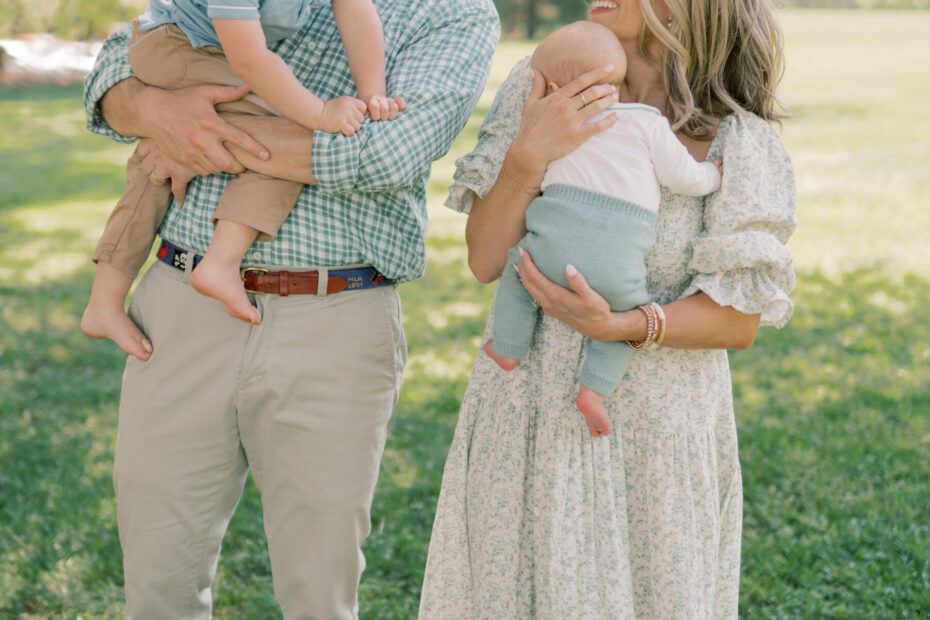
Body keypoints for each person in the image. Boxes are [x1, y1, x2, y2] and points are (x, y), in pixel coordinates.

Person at [81, 0, 499, 614]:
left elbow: (383, 155)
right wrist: (157, 111)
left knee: (319, 588)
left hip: (335, 318)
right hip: (179, 306)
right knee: (157, 576)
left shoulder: (455, 12)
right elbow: (112, 72)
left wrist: (202, 132)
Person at [419, 0, 796, 617]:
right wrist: (526, 158)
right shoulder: (548, 81)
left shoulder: (738, 140)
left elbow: (737, 320)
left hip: (654, 433)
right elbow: (486, 259)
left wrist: (620, 326)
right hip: (526, 410)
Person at [82, 0, 403, 359]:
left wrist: (373, 93)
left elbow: (356, 12)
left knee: (156, 163)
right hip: (176, 44)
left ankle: (104, 302)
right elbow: (249, 58)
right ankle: (219, 264)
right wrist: (321, 113)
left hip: (201, 46)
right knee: (294, 129)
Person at [483, 21, 722, 437]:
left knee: (517, 271)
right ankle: (594, 391)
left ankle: (507, 348)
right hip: (617, 256)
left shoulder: (552, 130)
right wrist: (712, 176)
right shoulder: (646, 122)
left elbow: (486, 259)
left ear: (552, 87)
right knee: (625, 318)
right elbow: (685, 180)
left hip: (549, 247)